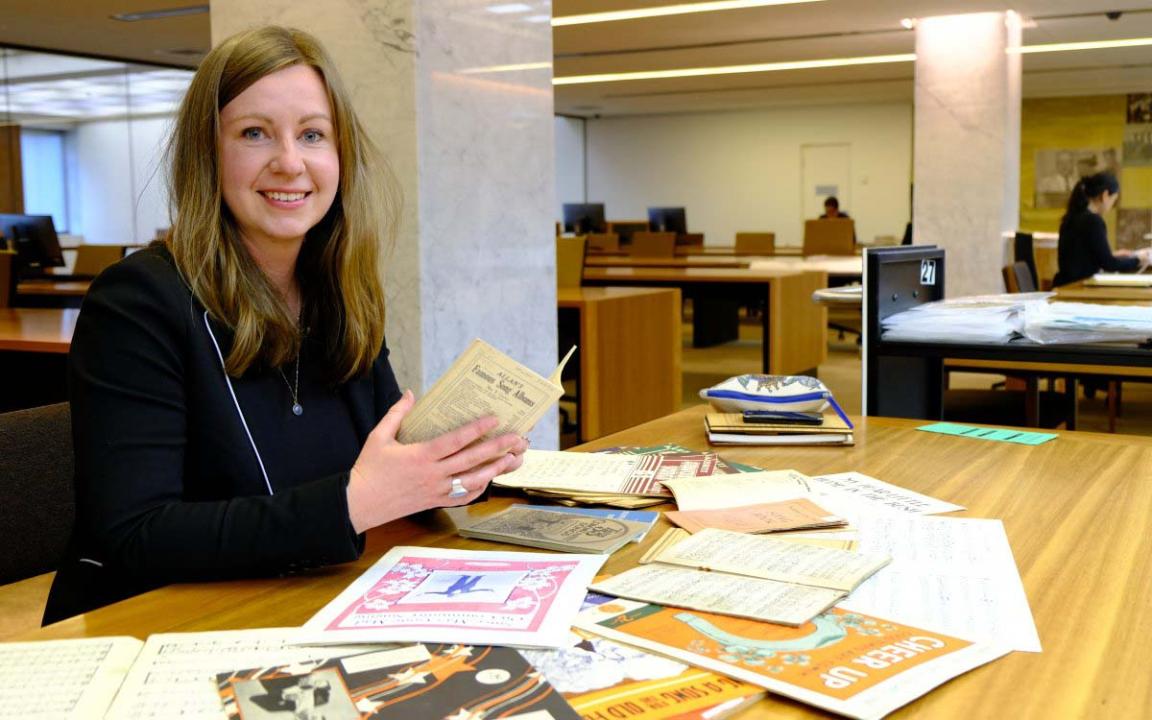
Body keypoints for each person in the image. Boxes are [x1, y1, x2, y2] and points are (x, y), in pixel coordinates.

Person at [43, 26, 528, 623]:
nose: (290, 162)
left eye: (313, 135)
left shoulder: (341, 291)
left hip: (311, 603)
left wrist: (446, 473)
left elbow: (379, 476)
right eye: (254, 133)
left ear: (340, 156)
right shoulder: (138, 300)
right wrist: (355, 503)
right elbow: (136, 535)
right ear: (207, 153)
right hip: (164, 624)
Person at [1053, 172, 1151, 287]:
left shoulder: (1072, 217)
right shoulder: (1093, 221)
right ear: (1105, 196)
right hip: (1077, 288)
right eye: (1113, 201)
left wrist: (1113, 255)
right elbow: (1109, 264)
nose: (1111, 207)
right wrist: (1139, 259)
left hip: (1065, 285)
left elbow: (1081, 257)